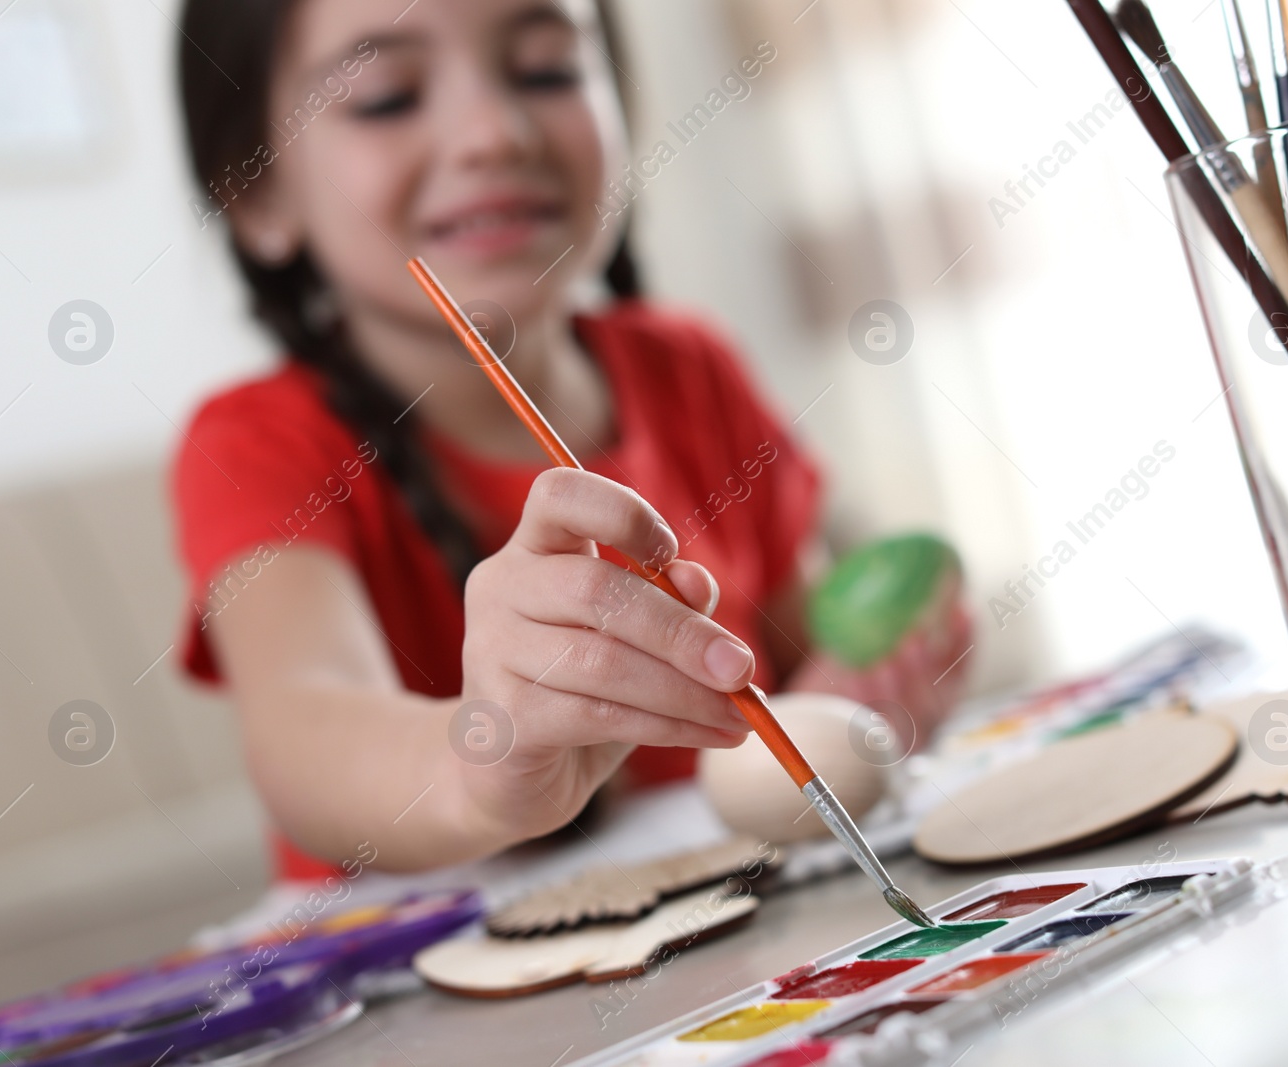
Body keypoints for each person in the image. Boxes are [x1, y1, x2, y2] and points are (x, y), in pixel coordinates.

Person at [173, 0, 972, 881]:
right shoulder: (259, 444)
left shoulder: (689, 368)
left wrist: (853, 704)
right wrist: (479, 768)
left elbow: (792, 671)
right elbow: (306, 728)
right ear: (257, 196)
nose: (493, 133)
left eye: (547, 70)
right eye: (388, 95)